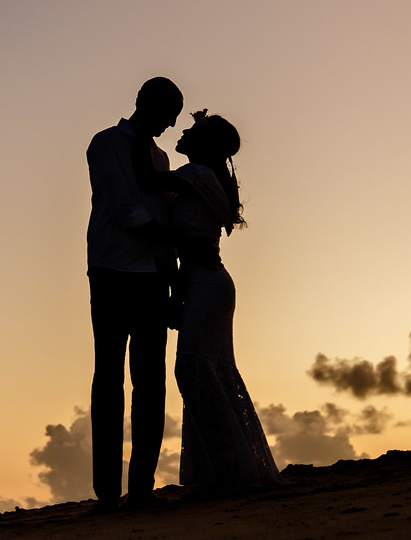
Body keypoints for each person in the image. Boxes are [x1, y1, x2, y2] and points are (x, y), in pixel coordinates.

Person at [169, 109, 284, 495]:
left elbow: (148, 188)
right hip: (208, 281)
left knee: (195, 368)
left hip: (205, 281)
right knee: (208, 371)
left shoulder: (194, 176)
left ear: (203, 143)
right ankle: (225, 468)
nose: (183, 130)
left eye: (192, 129)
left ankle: (231, 471)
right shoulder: (204, 177)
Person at [85, 77, 183, 513]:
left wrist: (173, 274)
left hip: (151, 276)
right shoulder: (105, 144)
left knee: (150, 381)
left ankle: (140, 488)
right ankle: (107, 493)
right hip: (110, 270)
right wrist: (175, 237)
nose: (169, 127)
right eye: (167, 116)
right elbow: (124, 208)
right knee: (109, 380)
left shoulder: (161, 159)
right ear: (146, 104)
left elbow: (159, 213)